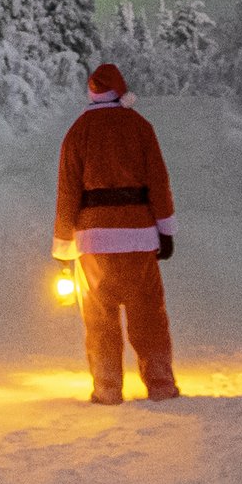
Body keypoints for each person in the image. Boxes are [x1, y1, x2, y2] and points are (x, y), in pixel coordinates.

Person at [52, 59, 179, 403]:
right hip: (138, 237)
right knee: (147, 313)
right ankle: (160, 383)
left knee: (99, 317)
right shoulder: (140, 127)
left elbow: (67, 192)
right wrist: (165, 231)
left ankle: (107, 387)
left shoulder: (77, 132)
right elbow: (158, 182)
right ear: (121, 91)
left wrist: (63, 248)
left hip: (93, 241)